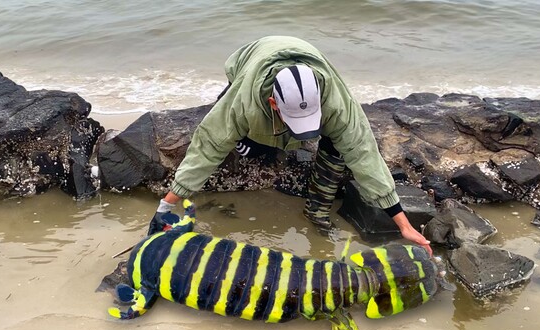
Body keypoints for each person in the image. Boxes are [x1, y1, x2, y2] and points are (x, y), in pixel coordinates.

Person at [148, 36, 431, 255]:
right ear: (273, 103)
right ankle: (259, 141)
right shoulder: (244, 102)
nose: (305, 135)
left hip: (304, 57)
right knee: (254, 148)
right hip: (250, 58)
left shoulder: (336, 102)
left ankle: (316, 208)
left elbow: (363, 153)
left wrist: (403, 224)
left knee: (339, 143)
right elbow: (207, 147)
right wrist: (166, 204)